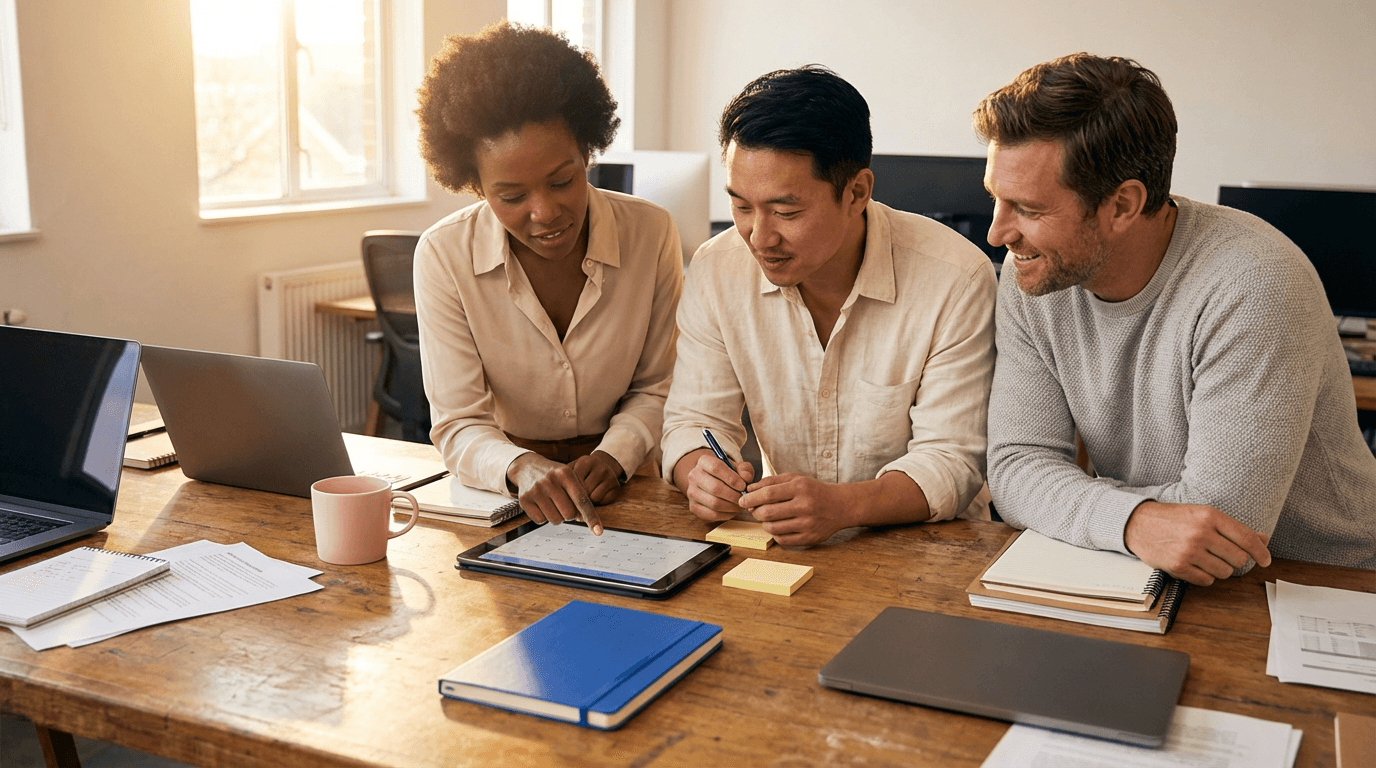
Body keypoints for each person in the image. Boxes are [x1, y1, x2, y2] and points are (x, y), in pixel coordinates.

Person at [978, 53, 1376, 584]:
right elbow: (1014, 467)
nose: (997, 233)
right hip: (1145, 569)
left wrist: (1073, 505)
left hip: (1319, 585)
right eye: (996, 199)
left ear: (1122, 205)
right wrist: (1135, 522)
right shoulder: (1032, 273)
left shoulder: (1255, 282)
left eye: (1028, 209)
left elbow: (1224, 531)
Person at [660, 66, 997, 547]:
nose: (759, 236)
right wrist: (700, 471)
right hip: (791, 546)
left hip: (932, 548)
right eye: (741, 206)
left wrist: (843, 506)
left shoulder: (955, 277)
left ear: (857, 192)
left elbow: (951, 460)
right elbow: (693, 421)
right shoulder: (717, 269)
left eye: (786, 212)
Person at [414, 22, 683, 535]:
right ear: (473, 185)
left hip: (631, 487)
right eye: (511, 197)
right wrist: (518, 467)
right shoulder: (444, 254)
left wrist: (615, 455)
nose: (546, 213)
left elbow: (659, 385)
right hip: (503, 497)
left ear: (587, 151)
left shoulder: (651, 233)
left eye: (563, 181)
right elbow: (458, 421)